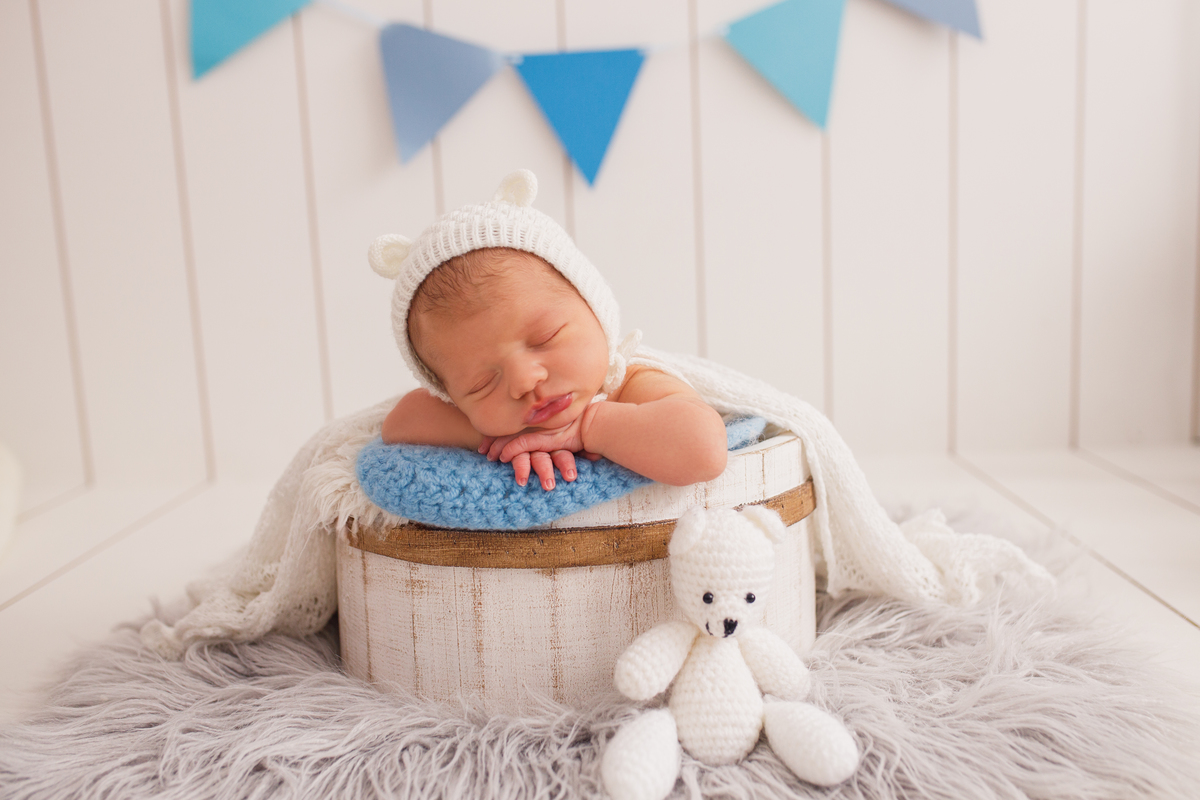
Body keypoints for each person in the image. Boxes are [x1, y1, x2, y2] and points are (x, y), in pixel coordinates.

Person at [378, 242, 729, 492]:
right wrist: (516, 437)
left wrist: (589, 427)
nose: (525, 381)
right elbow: (401, 421)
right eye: (482, 384)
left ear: (595, 312)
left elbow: (704, 448)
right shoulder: (494, 415)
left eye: (545, 338)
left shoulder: (629, 382)